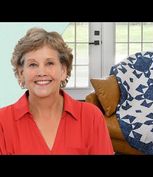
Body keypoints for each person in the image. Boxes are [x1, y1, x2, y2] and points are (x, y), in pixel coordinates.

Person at [0, 27, 114, 155]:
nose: (41, 72)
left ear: (63, 71)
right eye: (33, 64)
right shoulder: (3, 122)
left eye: (49, 63)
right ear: (21, 73)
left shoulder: (91, 117)